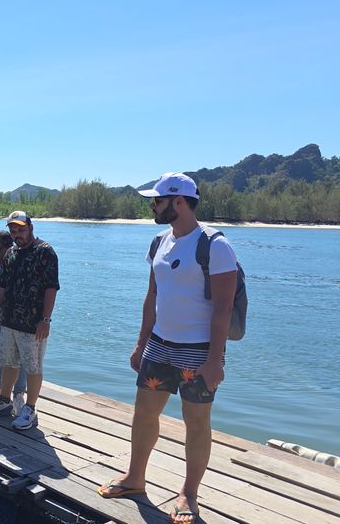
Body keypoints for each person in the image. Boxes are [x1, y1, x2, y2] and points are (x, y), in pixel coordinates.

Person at [100, 173, 241, 524]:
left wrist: (215, 360)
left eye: (157, 200)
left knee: (196, 424)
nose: (152, 206)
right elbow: (153, 297)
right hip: (159, 347)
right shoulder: (159, 241)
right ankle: (135, 478)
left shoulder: (215, 245)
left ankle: (189, 494)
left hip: (197, 352)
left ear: (179, 202)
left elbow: (223, 309)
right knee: (144, 413)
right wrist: (141, 342)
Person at [0, 211, 57, 431]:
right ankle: (3, 400)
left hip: (33, 324)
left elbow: (51, 287)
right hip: (8, 321)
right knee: (8, 362)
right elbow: (2, 286)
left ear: (30, 227)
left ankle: (30, 409)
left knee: (33, 367)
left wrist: (45, 319)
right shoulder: (11, 253)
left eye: (21, 230)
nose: (17, 235)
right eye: (13, 231)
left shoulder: (45, 252)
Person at [0, 230, 27, 402]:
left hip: (15, 318)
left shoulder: (19, 262)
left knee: (20, 358)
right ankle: (2, 393)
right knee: (1, 356)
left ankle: (18, 395)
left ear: (10, 247)